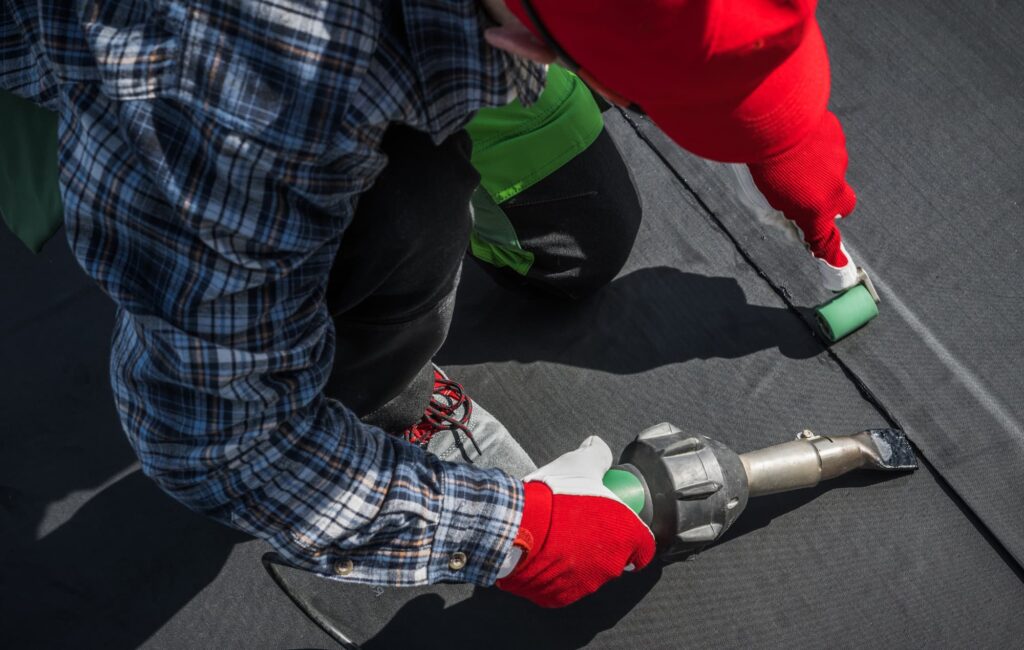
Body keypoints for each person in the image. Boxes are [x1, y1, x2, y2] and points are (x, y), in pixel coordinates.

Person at [0, 0, 860, 608]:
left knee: (583, 233)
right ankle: (381, 398)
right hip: (159, 64)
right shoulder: (241, 99)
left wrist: (781, 125)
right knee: (406, 201)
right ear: (523, 35)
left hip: (429, 27)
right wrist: (509, 535)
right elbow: (220, 441)